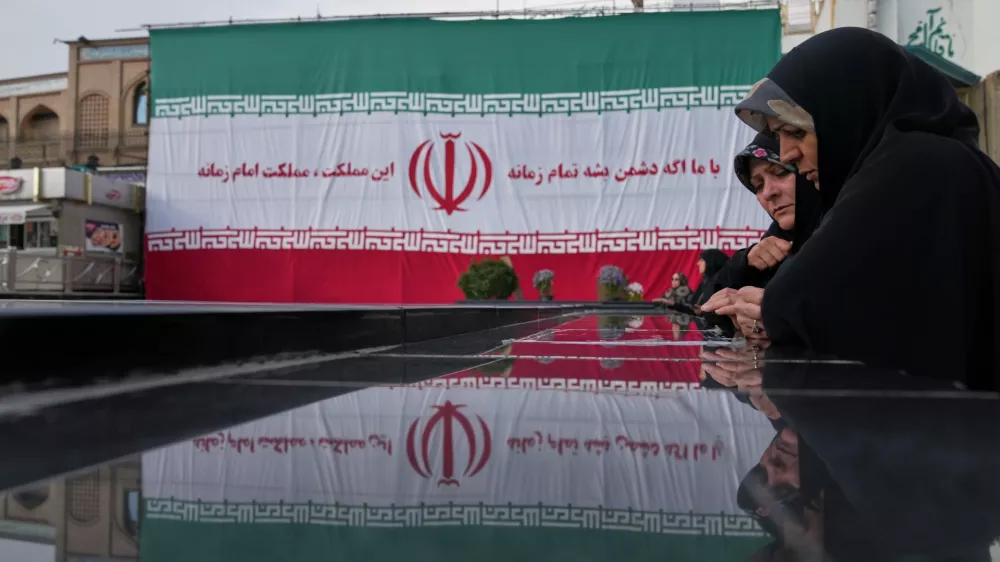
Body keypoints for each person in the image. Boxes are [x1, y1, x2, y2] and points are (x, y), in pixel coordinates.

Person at [705, 27, 1000, 390]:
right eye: (779, 137)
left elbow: (817, 301)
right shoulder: (931, 161)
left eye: (796, 132)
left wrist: (771, 312)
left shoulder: (913, 168)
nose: (788, 155)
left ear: (848, 113)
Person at [712, 132, 823, 292]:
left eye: (781, 173)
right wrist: (746, 264)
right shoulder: (772, 244)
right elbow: (708, 302)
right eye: (758, 185)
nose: (768, 193)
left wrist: (769, 305)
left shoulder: (847, 233)